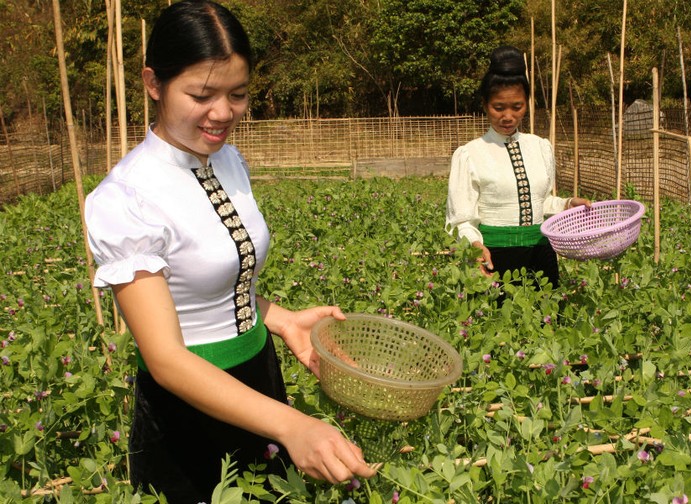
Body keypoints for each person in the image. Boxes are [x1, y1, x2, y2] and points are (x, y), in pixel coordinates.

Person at [84, 1, 375, 501]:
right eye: (202, 94)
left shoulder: (227, 160)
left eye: (237, 94)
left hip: (258, 377)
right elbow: (167, 358)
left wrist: (279, 319)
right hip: (188, 410)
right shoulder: (126, 198)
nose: (223, 113)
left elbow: (210, 282)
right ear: (154, 84)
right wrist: (293, 426)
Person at [445, 45, 590, 287]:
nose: (508, 116)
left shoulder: (540, 147)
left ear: (527, 104)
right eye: (498, 108)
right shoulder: (470, 154)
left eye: (517, 107)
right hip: (492, 257)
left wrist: (566, 204)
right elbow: (462, 220)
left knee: (545, 320)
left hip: (540, 257)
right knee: (494, 321)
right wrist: (475, 247)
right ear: (485, 104)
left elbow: (540, 203)